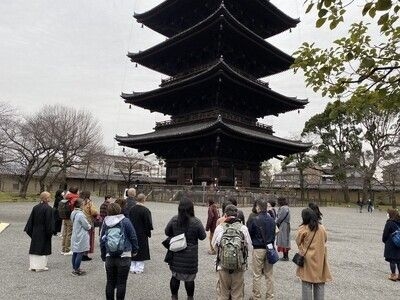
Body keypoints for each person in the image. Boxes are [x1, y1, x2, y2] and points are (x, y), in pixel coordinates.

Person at [165, 198, 207, 300]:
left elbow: (167, 232)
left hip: (176, 253)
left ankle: (174, 297)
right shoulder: (196, 222)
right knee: (189, 279)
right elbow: (203, 236)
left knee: (175, 276)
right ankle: (190, 297)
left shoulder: (174, 219)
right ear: (191, 208)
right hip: (190, 255)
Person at [212, 204, 252, 300]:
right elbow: (249, 246)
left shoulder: (220, 228)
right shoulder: (243, 228)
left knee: (223, 294)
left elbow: (214, 245)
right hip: (239, 266)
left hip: (223, 266)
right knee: (237, 294)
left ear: (225, 214)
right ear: (236, 214)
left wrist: (223, 254)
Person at [100, 203, 139, 300]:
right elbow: (133, 237)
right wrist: (135, 250)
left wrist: (103, 254)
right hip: (124, 254)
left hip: (110, 255)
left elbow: (102, 240)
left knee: (110, 282)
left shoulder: (106, 222)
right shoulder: (126, 221)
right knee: (121, 283)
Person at [295, 208, 332, 300]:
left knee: (307, 283)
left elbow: (298, 241)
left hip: (308, 260)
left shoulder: (303, 228)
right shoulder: (322, 228)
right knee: (319, 283)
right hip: (320, 258)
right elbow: (325, 239)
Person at [247, 199, 276, 300]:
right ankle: (270, 296)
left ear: (258, 207)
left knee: (257, 274)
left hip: (258, 248)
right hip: (269, 248)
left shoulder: (254, 219)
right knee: (269, 275)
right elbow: (275, 233)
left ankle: (257, 296)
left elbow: (249, 234)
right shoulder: (272, 220)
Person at [24, 191, 54, 272]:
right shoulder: (49, 209)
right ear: (46, 198)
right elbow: (49, 222)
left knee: (34, 248)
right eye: (50, 197)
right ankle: (40, 266)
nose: (50, 198)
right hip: (44, 231)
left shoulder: (35, 207)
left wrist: (31, 231)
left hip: (35, 230)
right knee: (42, 248)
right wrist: (50, 232)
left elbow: (30, 221)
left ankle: (33, 266)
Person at [129, 193, 153, 274]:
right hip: (142, 233)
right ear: (144, 200)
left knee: (133, 248)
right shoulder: (145, 210)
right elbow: (148, 224)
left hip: (132, 232)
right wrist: (148, 232)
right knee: (141, 249)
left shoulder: (132, 209)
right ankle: (139, 268)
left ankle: (132, 267)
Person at [70, 198, 91, 276]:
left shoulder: (73, 212)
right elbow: (86, 226)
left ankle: (74, 268)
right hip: (81, 235)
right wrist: (89, 226)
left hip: (75, 233)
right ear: (81, 205)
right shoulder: (81, 214)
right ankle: (76, 269)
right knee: (80, 252)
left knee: (75, 252)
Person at [382, 209, 400, 281]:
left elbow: (385, 234)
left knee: (392, 260)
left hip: (391, 243)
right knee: (399, 260)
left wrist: (384, 240)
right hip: (399, 243)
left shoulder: (389, 223)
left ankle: (393, 275)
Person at [80, 190, 99, 261]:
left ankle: (80, 253)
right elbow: (94, 212)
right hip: (88, 222)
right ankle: (85, 254)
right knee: (88, 238)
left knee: (81, 238)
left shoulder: (79, 202)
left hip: (80, 221)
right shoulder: (89, 203)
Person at [62, 186, 79, 255]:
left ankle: (63, 249)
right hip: (70, 217)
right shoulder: (75, 198)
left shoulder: (67, 197)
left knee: (65, 233)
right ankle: (67, 249)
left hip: (65, 216)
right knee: (69, 234)